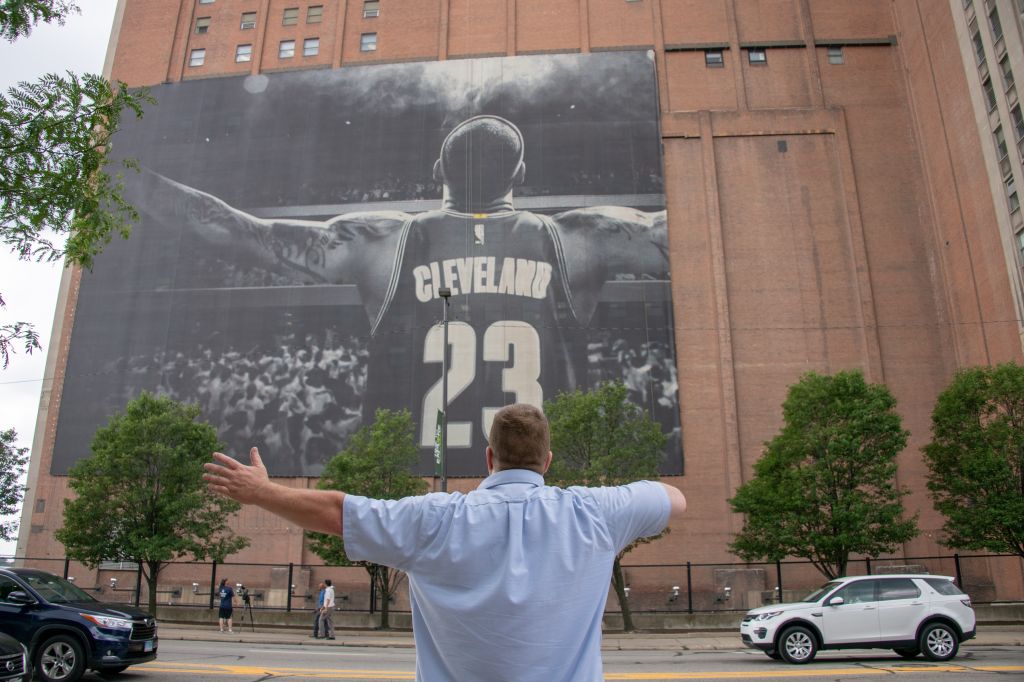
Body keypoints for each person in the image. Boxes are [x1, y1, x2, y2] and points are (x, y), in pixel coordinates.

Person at [135, 115, 671, 475]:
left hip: (406, 481)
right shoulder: (580, 238)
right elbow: (683, 229)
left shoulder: (383, 240)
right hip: (540, 484)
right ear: (522, 174)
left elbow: (236, 230)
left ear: (437, 172)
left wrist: (129, 172)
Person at [203, 403, 686, 681]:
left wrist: (262, 491)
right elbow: (673, 499)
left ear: (489, 456)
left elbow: (337, 510)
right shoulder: (593, 513)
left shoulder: (434, 518)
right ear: (548, 460)